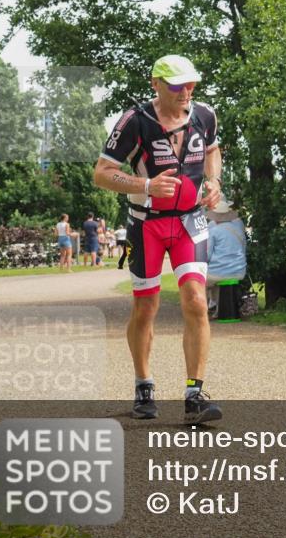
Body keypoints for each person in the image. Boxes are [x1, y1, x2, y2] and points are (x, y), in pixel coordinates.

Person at [94, 54, 222, 424]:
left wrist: (214, 181)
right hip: (145, 224)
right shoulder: (134, 121)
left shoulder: (204, 115)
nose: (186, 91)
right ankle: (143, 385)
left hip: (189, 222)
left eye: (191, 84)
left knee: (196, 300)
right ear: (156, 84)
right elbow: (102, 173)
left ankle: (195, 395)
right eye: (177, 85)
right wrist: (146, 184)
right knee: (145, 307)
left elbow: (212, 150)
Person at [205, 196, 247, 319]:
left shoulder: (213, 231)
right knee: (217, 281)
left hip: (220, 272)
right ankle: (220, 310)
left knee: (200, 281)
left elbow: (207, 255)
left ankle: (202, 311)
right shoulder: (238, 227)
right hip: (240, 270)